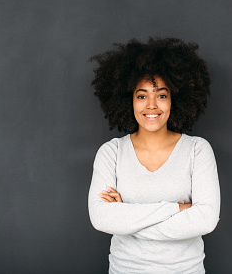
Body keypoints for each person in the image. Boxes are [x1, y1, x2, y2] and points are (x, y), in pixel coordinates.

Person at [88, 37, 220, 274]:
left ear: (174, 99)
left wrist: (126, 220)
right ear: (128, 99)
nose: (151, 105)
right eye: (141, 95)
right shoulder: (112, 153)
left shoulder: (198, 150)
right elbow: (100, 218)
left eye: (161, 95)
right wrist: (180, 208)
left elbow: (206, 220)